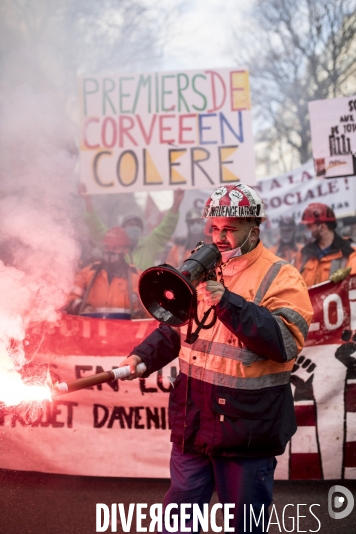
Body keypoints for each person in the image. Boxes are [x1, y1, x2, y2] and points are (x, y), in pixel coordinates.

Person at [119, 183, 313, 533]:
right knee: (177, 522)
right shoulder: (203, 268)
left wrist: (227, 301)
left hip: (246, 432)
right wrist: (140, 358)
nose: (219, 237)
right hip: (194, 424)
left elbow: (284, 341)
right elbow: (175, 327)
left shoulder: (281, 276)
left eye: (229, 229)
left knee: (245, 525)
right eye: (214, 228)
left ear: (253, 230)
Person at [79, 184, 184, 271]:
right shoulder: (111, 243)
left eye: (137, 225)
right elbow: (95, 226)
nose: (134, 227)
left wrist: (176, 204)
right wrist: (88, 201)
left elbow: (166, 228)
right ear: (123, 228)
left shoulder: (149, 245)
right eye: (131, 224)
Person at [66, 227, 146, 319]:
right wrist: (82, 307)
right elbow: (70, 297)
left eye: (115, 248)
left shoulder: (138, 277)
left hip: (126, 332)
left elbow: (150, 312)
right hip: (93, 331)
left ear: (125, 251)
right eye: (107, 247)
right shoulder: (88, 272)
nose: (110, 251)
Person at [294, 203, 356, 287]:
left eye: (309, 225)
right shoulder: (302, 255)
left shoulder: (350, 254)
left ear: (322, 227)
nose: (306, 230)